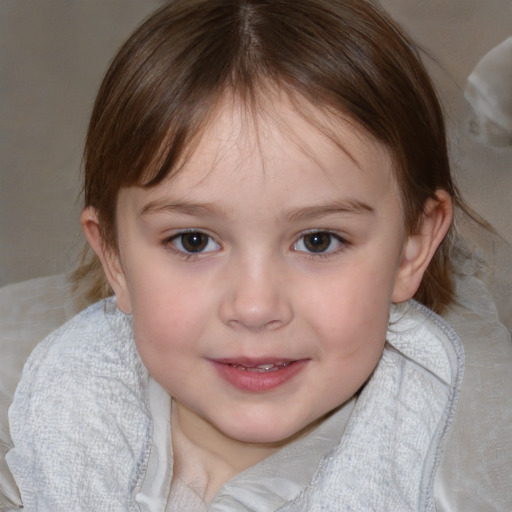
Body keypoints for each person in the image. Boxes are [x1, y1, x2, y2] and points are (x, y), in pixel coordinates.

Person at [6, 0, 465, 510]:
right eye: (193, 241)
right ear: (113, 256)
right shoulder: (43, 430)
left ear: (412, 246)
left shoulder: (468, 472)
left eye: (318, 241)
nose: (254, 306)